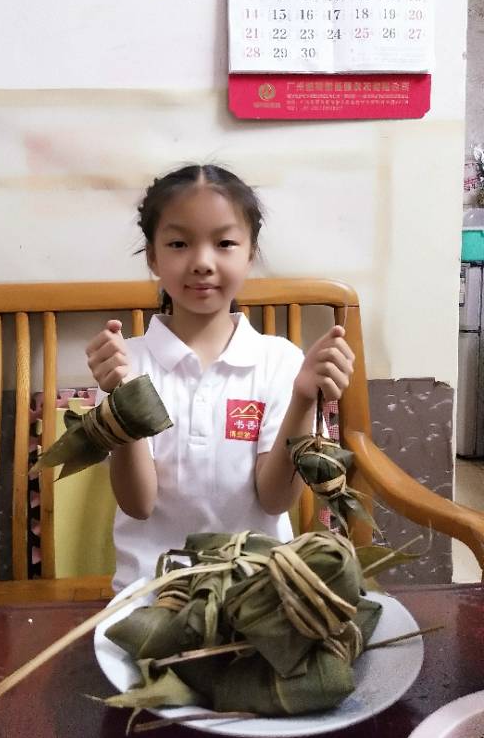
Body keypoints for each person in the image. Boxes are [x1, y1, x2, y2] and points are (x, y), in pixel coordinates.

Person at [86, 165, 354, 591]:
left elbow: (275, 500)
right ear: (153, 256)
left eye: (225, 243)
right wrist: (123, 396)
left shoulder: (280, 362)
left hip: (258, 589)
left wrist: (304, 398)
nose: (202, 263)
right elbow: (138, 505)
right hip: (151, 591)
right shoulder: (126, 363)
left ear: (250, 253)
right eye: (179, 244)